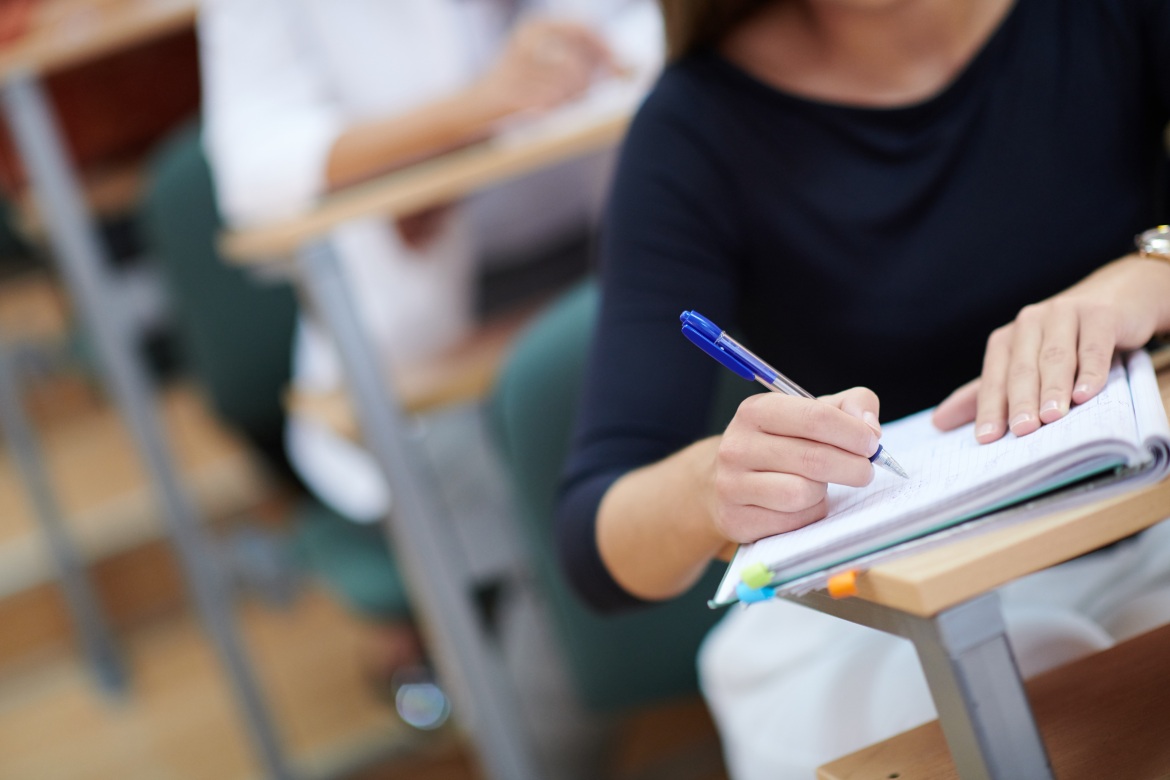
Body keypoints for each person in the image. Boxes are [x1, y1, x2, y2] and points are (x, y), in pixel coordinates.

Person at [556, 0, 1170, 775]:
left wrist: (1152, 271)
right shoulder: (697, 127)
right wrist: (712, 485)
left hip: (1143, 529)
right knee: (1051, 701)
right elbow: (594, 536)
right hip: (882, 622)